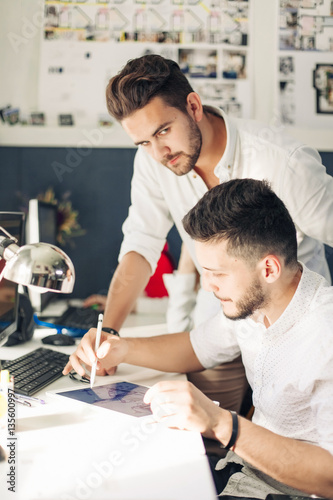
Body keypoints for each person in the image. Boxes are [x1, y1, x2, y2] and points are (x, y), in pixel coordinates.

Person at [83, 54, 333, 411]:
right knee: (201, 437)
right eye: (143, 143)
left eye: (163, 131)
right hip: (225, 320)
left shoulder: (283, 162)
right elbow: (141, 244)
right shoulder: (155, 161)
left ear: (194, 106)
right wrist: (108, 333)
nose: (158, 153)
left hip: (299, 329)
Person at [64, 179, 333, 498]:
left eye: (217, 273)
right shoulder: (255, 300)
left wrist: (222, 424)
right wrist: (122, 348)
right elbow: (196, 347)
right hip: (242, 470)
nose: (207, 286)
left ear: (269, 268)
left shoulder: (324, 332)